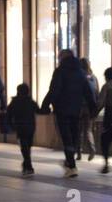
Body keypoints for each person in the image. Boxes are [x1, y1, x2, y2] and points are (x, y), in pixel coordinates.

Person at [41, 49, 96, 178]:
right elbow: (88, 91)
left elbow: (54, 90)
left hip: (62, 109)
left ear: (62, 58)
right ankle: (70, 161)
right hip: (76, 110)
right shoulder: (80, 72)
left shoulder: (60, 72)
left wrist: (45, 105)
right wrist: (93, 107)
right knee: (73, 134)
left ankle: (71, 165)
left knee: (66, 137)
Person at [5, 83, 38, 176]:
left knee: (24, 147)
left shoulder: (14, 102)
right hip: (31, 127)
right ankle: (26, 165)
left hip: (20, 127)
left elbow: (8, 114)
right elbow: (38, 110)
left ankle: (28, 166)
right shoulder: (31, 101)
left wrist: (11, 126)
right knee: (28, 146)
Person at [79, 56, 99, 161]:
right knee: (88, 130)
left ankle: (78, 151)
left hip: (80, 107)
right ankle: (92, 149)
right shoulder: (94, 77)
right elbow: (97, 93)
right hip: (90, 107)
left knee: (78, 130)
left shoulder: (79, 76)